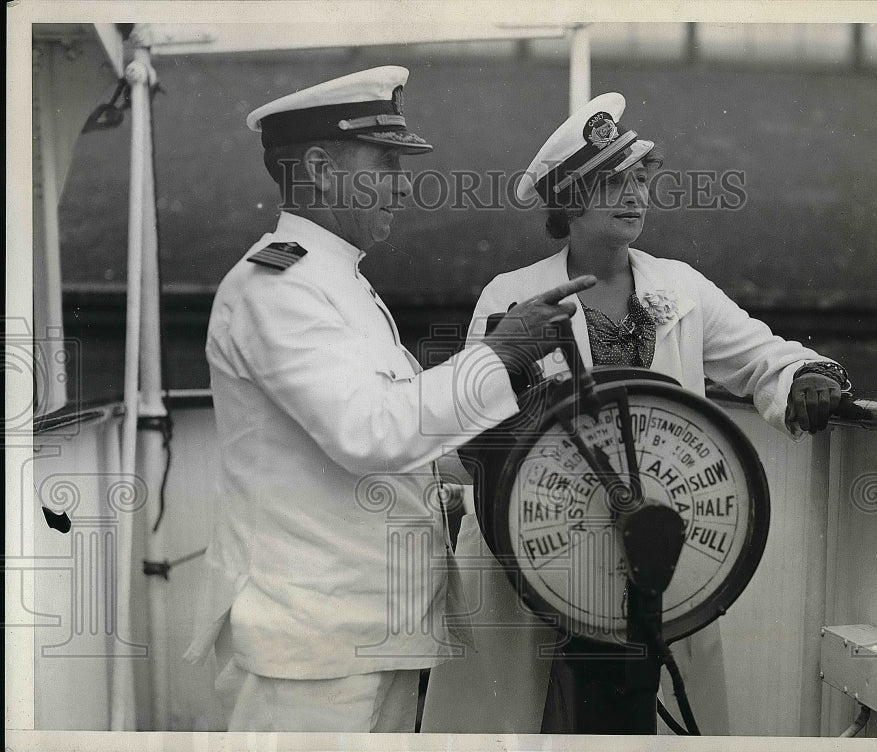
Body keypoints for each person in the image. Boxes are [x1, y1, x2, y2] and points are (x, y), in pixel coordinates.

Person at [182, 66, 596, 733]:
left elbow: (406, 448)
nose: (403, 187)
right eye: (385, 165)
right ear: (318, 166)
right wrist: (498, 356)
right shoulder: (279, 288)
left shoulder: (337, 284)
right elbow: (370, 435)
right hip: (312, 650)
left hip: (367, 633)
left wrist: (511, 394)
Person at [422, 93, 851, 734]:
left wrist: (806, 376)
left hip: (652, 541)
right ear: (568, 201)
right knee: (528, 715)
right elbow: (466, 434)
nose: (634, 195)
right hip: (543, 549)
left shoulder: (681, 288)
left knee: (657, 715)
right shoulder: (511, 296)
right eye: (610, 183)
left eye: (638, 179)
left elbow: (763, 357)